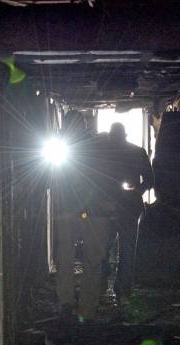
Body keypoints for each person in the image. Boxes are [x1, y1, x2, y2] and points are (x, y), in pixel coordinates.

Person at [51, 111, 116, 321]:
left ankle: (80, 307)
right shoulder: (65, 149)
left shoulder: (95, 148)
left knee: (86, 259)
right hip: (77, 210)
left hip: (89, 210)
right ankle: (74, 305)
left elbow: (106, 177)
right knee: (74, 258)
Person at [104, 122, 154, 305]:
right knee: (126, 251)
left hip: (108, 209)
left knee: (101, 249)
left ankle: (100, 287)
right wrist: (136, 191)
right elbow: (150, 180)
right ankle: (122, 291)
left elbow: (96, 181)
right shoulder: (137, 152)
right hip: (129, 209)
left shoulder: (105, 154)